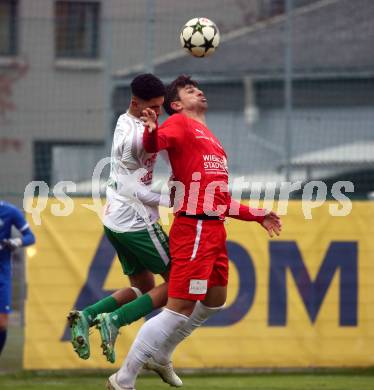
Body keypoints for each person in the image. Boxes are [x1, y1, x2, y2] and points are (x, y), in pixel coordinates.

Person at [106, 75, 282, 390]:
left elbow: (222, 199)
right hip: (195, 226)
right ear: (175, 104)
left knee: (214, 299)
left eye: (198, 88)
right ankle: (123, 379)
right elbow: (154, 142)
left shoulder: (212, 139)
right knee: (180, 306)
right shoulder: (179, 123)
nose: (198, 91)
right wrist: (150, 131)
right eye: (190, 90)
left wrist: (257, 214)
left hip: (214, 228)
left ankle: (161, 356)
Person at [68, 74, 172, 365]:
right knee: (180, 282)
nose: (159, 112)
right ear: (135, 103)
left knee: (144, 286)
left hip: (115, 220)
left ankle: (87, 315)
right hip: (136, 223)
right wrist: (171, 200)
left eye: (161, 105)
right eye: (154, 107)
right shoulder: (135, 137)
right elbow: (133, 189)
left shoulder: (126, 120)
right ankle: (114, 320)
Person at [0, 200, 35, 355]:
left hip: (2, 275)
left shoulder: (9, 211)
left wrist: (15, 241)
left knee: (2, 323)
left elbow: (30, 237)